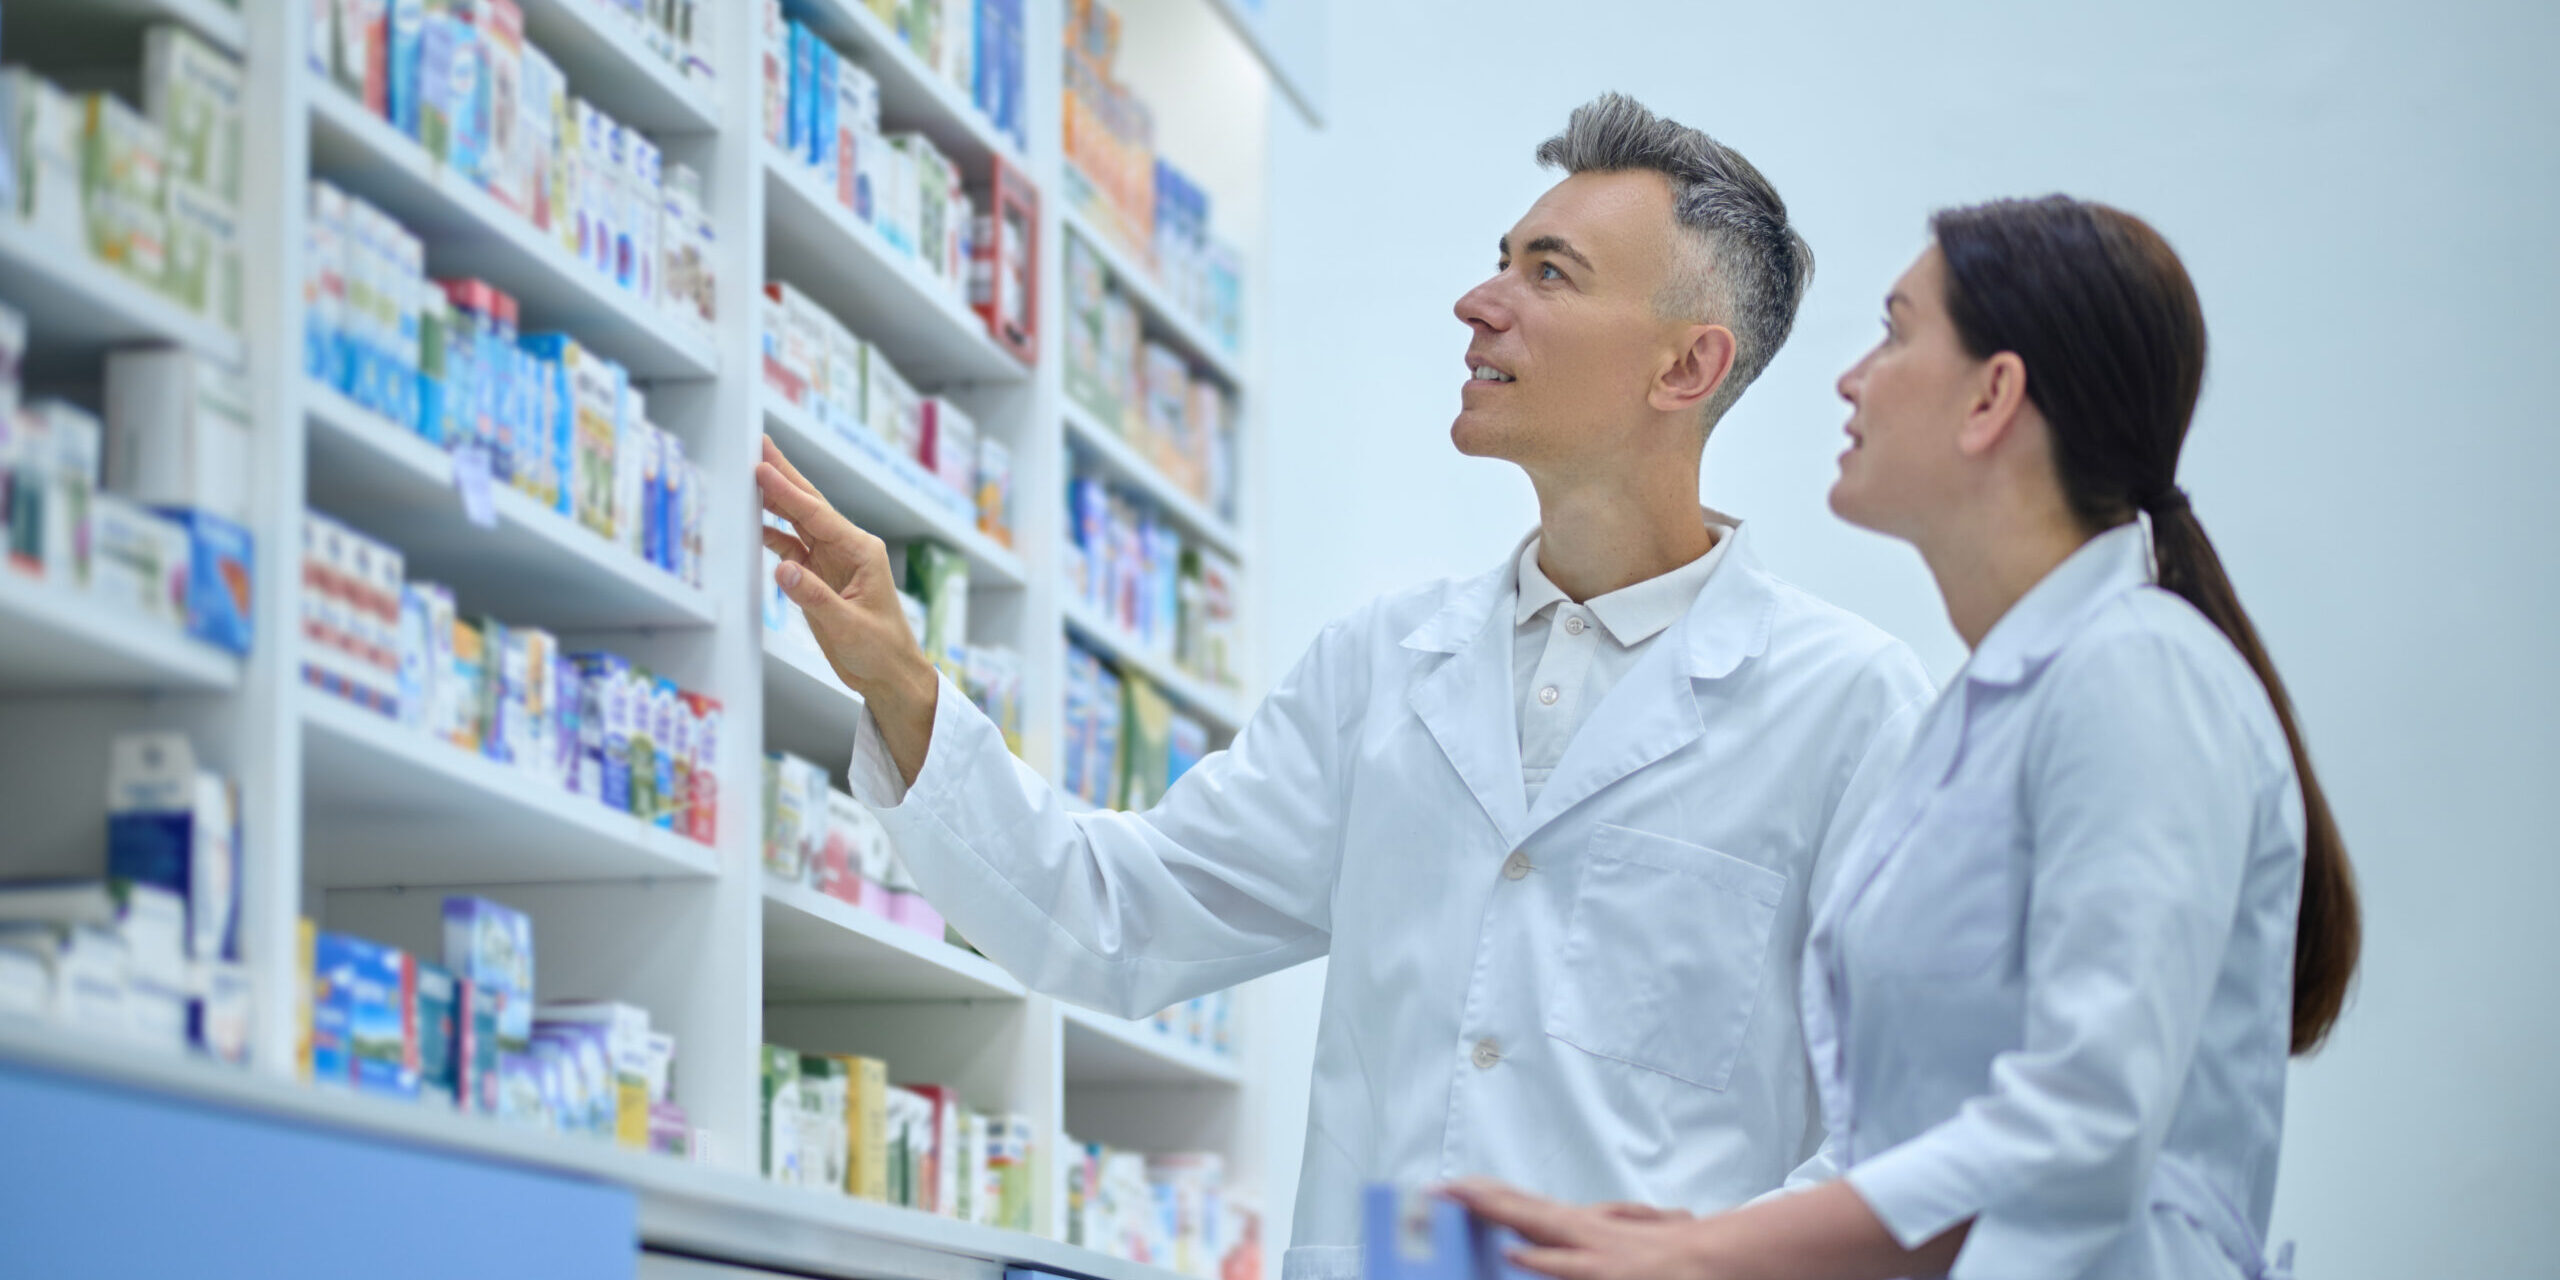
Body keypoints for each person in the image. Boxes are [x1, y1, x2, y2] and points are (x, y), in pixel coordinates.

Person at [757, 94, 1934, 1280]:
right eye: (1498, 262)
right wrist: (904, 686)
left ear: (1686, 365)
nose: (1480, 303)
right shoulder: (1385, 662)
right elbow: (1110, 921)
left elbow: (1896, 1140)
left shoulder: (1846, 710)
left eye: (1550, 273)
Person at [1451, 196, 2363, 1280]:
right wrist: (1709, 1242)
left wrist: (1719, 1248)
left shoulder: (2138, 671)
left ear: (1992, 394)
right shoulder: (1982, 717)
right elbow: (1930, 1158)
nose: (1850, 378)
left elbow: (2083, 1124)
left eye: (1893, 332)